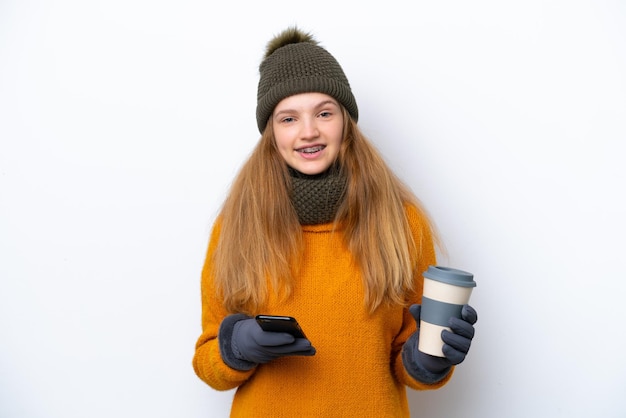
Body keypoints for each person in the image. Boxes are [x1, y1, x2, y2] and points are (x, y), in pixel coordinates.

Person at [192, 27, 478, 418]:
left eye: (324, 113)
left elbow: (409, 360)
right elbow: (208, 362)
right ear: (271, 133)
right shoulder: (236, 227)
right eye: (288, 118)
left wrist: (430, 360)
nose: (308, 131)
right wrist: (236, 345)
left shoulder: (402, 223)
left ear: (345, 121)